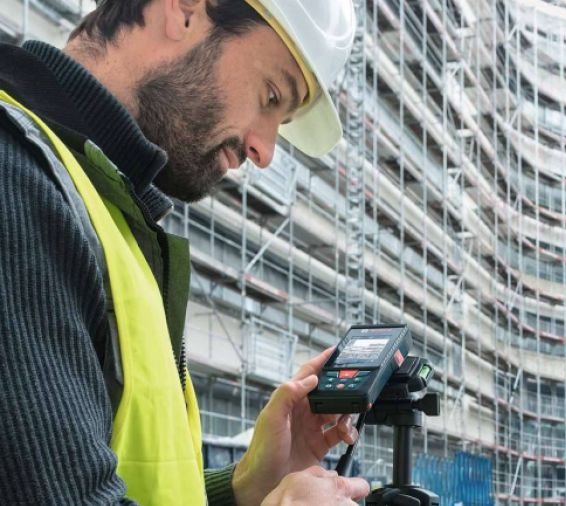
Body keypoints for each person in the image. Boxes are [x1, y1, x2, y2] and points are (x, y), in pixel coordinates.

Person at [0, 0, 368, 504]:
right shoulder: (14, 177)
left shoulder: (102, 207)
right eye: (270, 94)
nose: (263, 150)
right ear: (187, 10)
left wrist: (245, 487)